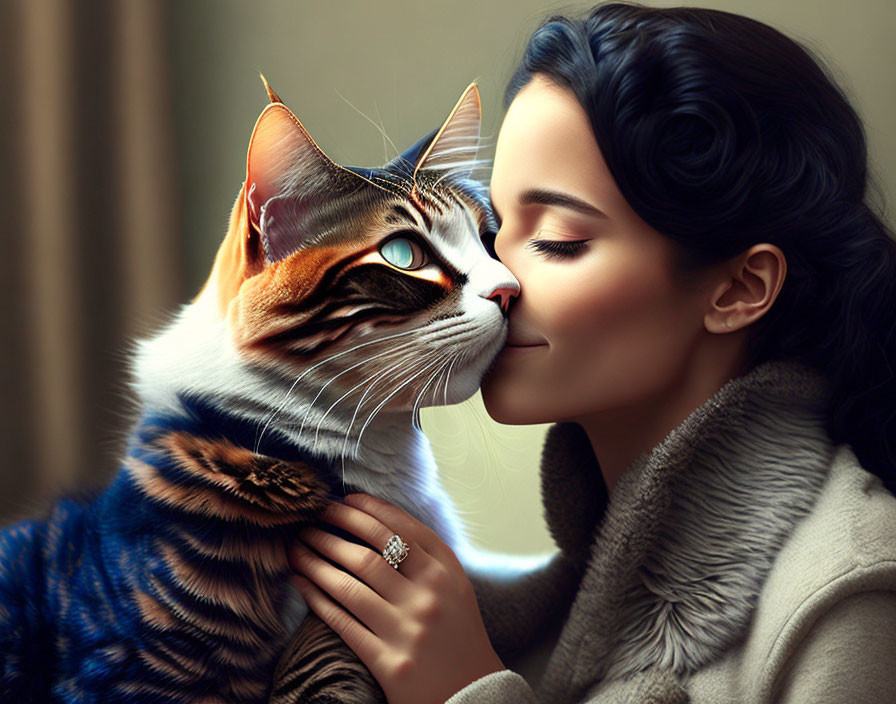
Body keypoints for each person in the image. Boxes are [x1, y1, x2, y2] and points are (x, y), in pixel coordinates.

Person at [285, 2, 896, 702]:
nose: (494, 277)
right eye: (490, 229)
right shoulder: (522, 611)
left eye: (560, 242)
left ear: (738, 288)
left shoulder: (845, 593)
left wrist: (466, 687)